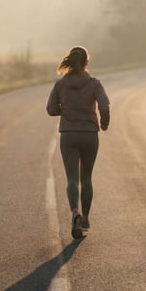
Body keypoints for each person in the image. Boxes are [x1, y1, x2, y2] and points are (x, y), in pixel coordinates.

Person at [46, 46, 110, 239]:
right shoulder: (94, 83)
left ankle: (75, 213)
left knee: (72, 178)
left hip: (68, 134)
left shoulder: (61, 84)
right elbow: (105, 105)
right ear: (86, 63)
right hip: (89, 133)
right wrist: (104, 123)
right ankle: (85, 220)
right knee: (87, 178)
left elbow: (50, 109)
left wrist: (66, 111)